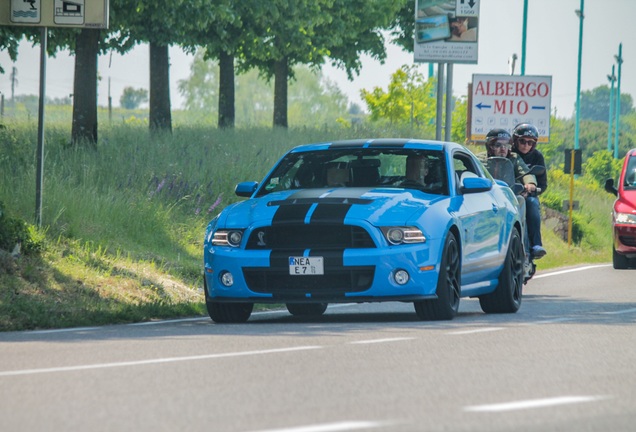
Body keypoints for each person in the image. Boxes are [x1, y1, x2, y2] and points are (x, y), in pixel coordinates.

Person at [511, 123, 547, 259]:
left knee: (532, 204)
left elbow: (543, 184)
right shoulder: (509, 154)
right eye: (522, 141)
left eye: (530, 142)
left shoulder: (537, 157)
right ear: (515, 140)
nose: (526, 145)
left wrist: (531, 189)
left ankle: (535, 245)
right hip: (508, 194)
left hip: (528, 196)